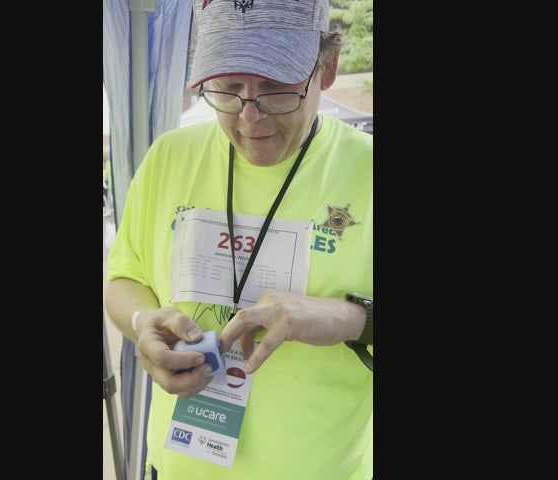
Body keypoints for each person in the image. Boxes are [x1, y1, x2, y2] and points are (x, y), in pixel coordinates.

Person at [105, 0, 373, 478]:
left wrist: (347, 318)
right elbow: (123, 277)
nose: (250, 118)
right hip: (176, 465)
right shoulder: (169, 156)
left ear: (326, 67)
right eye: (229, 88)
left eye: (275, 89)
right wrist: (143, 321)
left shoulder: (368, 169)